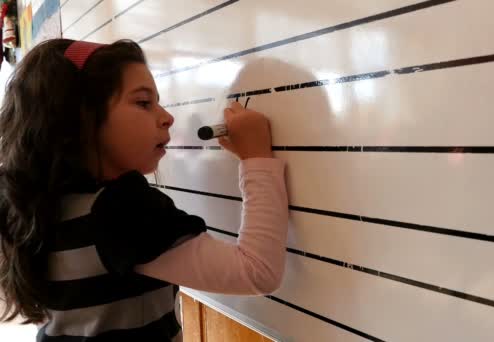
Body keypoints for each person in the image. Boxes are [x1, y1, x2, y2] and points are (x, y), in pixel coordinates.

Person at [0, 39, 288, 341]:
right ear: (80, 118)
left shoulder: (38, 204)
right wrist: (257, 158)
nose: (167, 116)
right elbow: (258, 272)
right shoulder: (119, 209)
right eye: (142, 102)